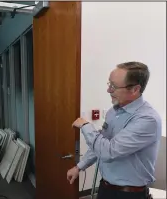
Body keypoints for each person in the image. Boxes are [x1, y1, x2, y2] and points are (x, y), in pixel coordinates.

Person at [67, 62, 161, 199]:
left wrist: (86, 126)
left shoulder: (147, 120)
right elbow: (100, 144)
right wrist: (79, 166)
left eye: (114, 86)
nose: (109, 90)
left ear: (135, 89)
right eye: (109, 84)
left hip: (129, 194)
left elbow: (109, 151)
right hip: (106, 187)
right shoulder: (113, 112)